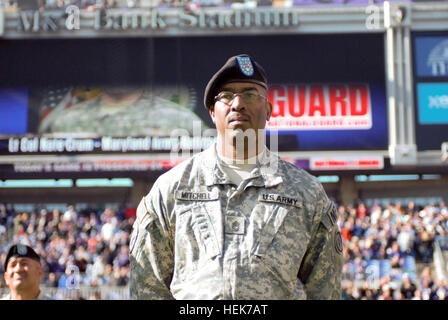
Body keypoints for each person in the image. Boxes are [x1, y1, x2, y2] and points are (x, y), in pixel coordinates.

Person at [129, 54, 343, 300]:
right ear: (212, 111)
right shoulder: (172, 188)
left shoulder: (306, 192)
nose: (238, 103)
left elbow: (324, 289)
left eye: (251, 94)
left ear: (269, 110)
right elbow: (147, 286)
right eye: (226, 96)